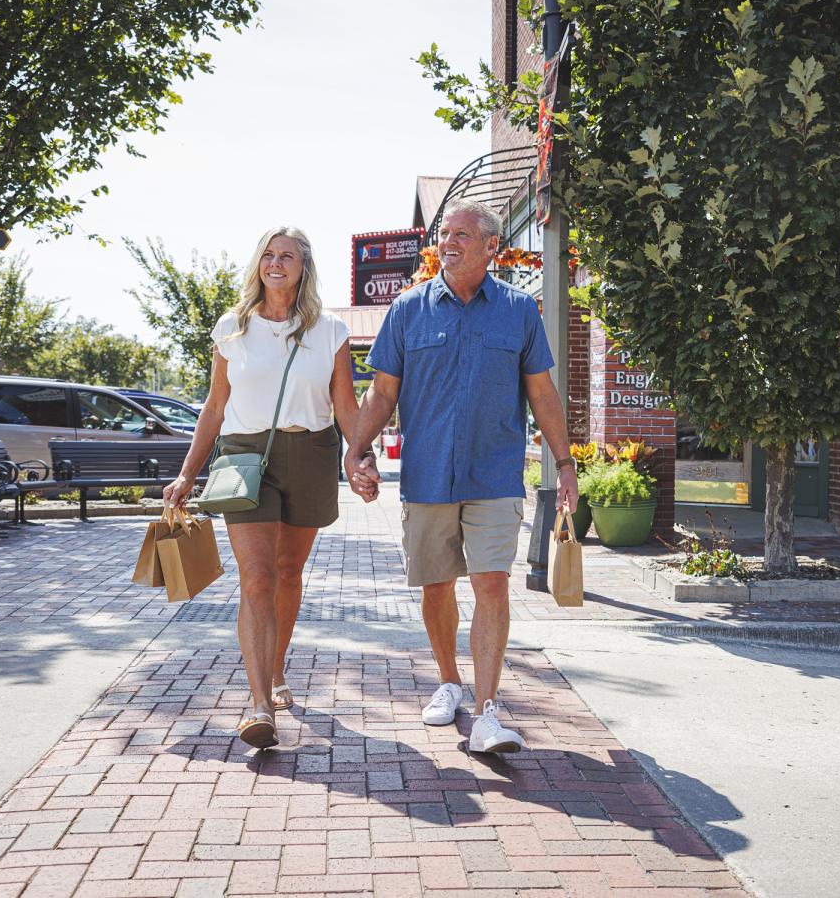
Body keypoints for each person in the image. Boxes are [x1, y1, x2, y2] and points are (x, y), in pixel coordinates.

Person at [344, 198, 578, 754]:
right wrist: (356, 450)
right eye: (444, 234)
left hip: (494, 472)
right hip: (427, 475)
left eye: (461, 235)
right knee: (435, 587)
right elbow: (381, 392)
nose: (447, 242)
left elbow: (542, 394)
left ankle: (488, 710)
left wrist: (564, 464)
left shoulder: (520, 311)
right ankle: (449, 682)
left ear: (491, 247)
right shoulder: (408, 309)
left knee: (491, 583)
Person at [165, 226, 372, 750]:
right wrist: (188, 473)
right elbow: (214, 406)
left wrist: (358, 456)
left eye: (288, 256)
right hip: (244, 456)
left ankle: (277, 671)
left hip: (311, 453)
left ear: (304, 268)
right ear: (259, 264)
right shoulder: (232, 328)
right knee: (256, 576)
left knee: (288, 572)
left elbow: (345, 407)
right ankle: (259, 705)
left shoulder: (330, 331)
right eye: (269, 255)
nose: (277, 263)